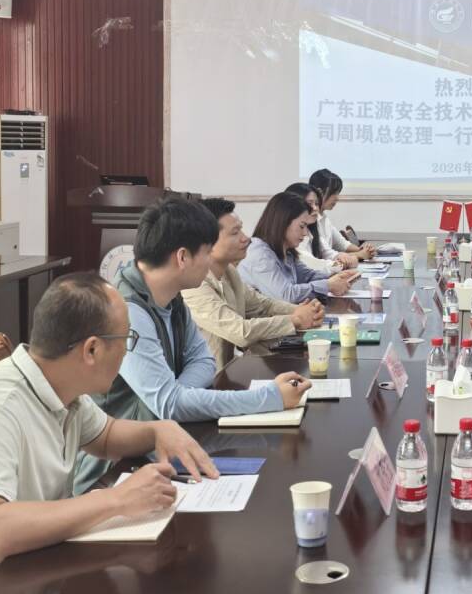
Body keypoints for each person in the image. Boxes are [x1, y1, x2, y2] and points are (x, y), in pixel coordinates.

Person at [0, 272, 218, 594]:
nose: (127, 350)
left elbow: (106, 436)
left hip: (26, 581)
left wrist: (157, 430)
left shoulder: (60, 385)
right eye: (126, 339)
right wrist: (115, 500)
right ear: (91, 350)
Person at [74, 196, 310, 491]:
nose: (210, 261)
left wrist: (177, 396)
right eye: (207, 252)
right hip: (113, 474)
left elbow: (204, 363)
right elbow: (170, 404)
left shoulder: (172, 297)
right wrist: (270, 398)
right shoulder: (128, 311)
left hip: (161, 450)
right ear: (183, 257)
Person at [183, 198, 327, 370]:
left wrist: (304, 311)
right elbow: (240, 332)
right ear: (208, 241)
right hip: (209, 381)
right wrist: (295, 320)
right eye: (235, 233)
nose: (246, 238)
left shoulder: (229, 272)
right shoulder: (194, 285)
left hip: (230, 372)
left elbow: (263, 305)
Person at [240, 190, 360, 303]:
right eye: (302, 226)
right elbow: (285, 295)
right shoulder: (260, 254)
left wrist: (337, 277)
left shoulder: (286, 251)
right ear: (283, 223)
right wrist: (328, 285)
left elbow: (307, 276)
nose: (305, 233)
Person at [285, 181, 358, 273]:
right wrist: (340, 264)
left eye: (316, 204)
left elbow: (327, 252)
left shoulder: (312, 229)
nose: (315, 208)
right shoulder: (292, 233)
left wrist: (344, 258)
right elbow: (310, 263)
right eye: (310, 204)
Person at [309, 168, 375, 261]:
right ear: (319, 192)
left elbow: (343, 244)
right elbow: (327, 255)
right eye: (334, 193)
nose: (337, 198)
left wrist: (364, 250)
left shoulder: (324, 218)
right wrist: (360, 254)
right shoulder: (310, 221)